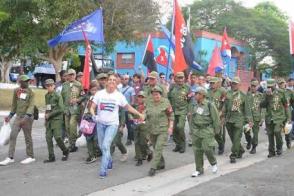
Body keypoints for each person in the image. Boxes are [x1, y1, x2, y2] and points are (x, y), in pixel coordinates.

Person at [90, 73, 144, 178]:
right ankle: (109, 160)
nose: (112, 81)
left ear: (116, 83)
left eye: (114, 80)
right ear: (106, 82)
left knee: (106, 145)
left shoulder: (119, 96)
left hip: (112, 124)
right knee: (102, 146)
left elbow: (128, 107)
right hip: (100, 123)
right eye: (110, 79)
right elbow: (92, 107)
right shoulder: (99, 94)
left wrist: (139, 114)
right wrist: (93, 115)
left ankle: (103, 170)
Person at [0, 75, 35, 166]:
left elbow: (31, 106)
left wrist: (26, 118)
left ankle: (30, 156)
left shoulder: (31, 92)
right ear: (20, 82)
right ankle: (10, 157)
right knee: (13, 135)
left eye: (28, 81)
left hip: (27, 117)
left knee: (27, 137)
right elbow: (14, 105)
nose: (27, 82)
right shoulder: (16, 91)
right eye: (25, 81)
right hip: (18, 117)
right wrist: (9, 116)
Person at [188, 87, 220, 177]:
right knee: (197, 150)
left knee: (207, 148)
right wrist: (191, 130)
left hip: (207, 130)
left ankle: (213, 163)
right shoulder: (194, 105)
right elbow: (192, 118)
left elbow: (216, 119)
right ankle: (199, 169)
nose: (195, 95)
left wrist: (215, 131)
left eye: (197, 94)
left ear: (202, 95)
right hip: (196, 130)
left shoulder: (210, 105)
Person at [224, 77, 253, 163]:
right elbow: (225, 106)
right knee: (233, 138)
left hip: (238, 119)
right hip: (229, 119)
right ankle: (240, 150)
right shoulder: (227, 94)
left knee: (237, 137)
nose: (234, 85)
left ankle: (233, 155)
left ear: (239, 85)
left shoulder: (243, 96)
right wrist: (222, 117)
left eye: (236, 83)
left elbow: (247, 109)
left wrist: (250, 120)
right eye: (233, 83)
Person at [146, 86, 174, 176]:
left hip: (163, 129)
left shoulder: (165, 102)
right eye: (154, 94)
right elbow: (146, 114)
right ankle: (161, 163)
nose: (156, 96)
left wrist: (170, 127)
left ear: (160, 95)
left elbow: (171, 116)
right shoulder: (149, 102)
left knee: (158, 148)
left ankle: (153, 167)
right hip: (152, 129)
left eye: (157, 94)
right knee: (156, 147)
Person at [261, 79, 290, 157]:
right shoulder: (265, 93)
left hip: (279, 117)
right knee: (270, 134)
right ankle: (271, 151)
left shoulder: (281, 92)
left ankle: (279, 147)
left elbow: (286, 106)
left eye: (271, 86)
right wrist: (267, 97)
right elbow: (262, 105)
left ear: (275, 85)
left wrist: (288, 117)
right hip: (269, 117)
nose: (270, 87)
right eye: (268, 86)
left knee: (277, 131)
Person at [43, 79, 69, 163]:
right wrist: (45, 118)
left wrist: (50, 115)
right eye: (47, 86)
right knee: (48, 138)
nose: (49, 87)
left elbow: (61, 109)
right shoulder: (46, 96)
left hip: (57, 119)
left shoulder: (58, 96)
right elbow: (47, 108)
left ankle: (65, 151)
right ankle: (51, 156)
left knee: (58, 137)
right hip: (49, 120)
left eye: (51, 85)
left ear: (54, 86)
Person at [61, 69, 84, 152]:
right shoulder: (64, 85)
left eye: (73, 74)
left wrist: (77, 100)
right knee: (67, 127)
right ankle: (71, 143)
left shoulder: (79, 84)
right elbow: (61, 97)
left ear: (75, 75)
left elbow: (83, 96)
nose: (71, 76)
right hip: (66, 109)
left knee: (72, 125)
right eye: (69, 75)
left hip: (74, 109)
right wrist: (62, 107)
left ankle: (73, 144)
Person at [168, 72, 189, 153]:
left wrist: (189, 110)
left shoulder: (187, 87)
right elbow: (169, 97)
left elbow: (190, 100)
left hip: (182, 110)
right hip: (173, 110)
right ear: (175, 79)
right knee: (174, 129)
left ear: (184, 78)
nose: (180, 80)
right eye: (178, 78)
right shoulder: (172, 87)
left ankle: (183, 144)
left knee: (180, 127)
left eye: (182, 78)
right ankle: (178, 144)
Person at [130, 91, 152, 166]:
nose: (140, 98)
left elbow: (146, 114)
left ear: (145, 98)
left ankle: (149, 152)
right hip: (136, 126)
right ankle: (139, 158)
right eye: (139, 97)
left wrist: (142, 117)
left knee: (143, 142)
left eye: (142, 97)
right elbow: (130, 112)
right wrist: (131, 118)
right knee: (136, 142)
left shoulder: (147, 106)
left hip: (144, 127)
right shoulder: (135, 105)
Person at [83, 81, 102, 164]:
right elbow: (86, 109)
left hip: (97, 121)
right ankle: (91, 155)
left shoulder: (101, 99)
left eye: (95, 90)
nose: (94, 92)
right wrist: (84, 118)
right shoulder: (89, 98)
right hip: (88, 120)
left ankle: (98, 151)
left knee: (95, 139)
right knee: (88, 138)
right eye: (92, 90)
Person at [207, 77, 226, 155]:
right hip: (210, 115)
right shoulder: (208, 91)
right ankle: (212, 147)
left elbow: (225, 103)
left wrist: (222, 112)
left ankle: (221, 144)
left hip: (219, 115)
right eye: (210, 83)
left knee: (217, 133)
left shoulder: (222, 91)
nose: (211, 84)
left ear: (217, 83)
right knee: (210, 132)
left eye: (213, 83)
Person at [245, 79, 264, 154]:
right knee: (246, 131)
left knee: (255, 134)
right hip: (248, 118)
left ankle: (254, 147)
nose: (253, 87)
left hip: (256, 118)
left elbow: (263, 108)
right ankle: (249, 140)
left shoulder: (260, 96)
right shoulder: (247, 95)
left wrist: (262, 118)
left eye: (254, 86)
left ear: (257, 86)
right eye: (252, 86)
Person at [120, 74, 136, 145]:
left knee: (129, 126)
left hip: (128, 111)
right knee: (120, 125)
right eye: (123, 79)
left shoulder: (131, 89)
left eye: (126, 79)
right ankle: (118, 139)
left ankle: (129, 139)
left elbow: (132, 101)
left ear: (128, 80)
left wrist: (130, 108)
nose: (124, 80)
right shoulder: (119, 89)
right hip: (120, 111)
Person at [277, 78, 292, 149]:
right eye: (280, 83)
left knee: (287, 130)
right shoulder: (276, 93)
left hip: (287, 114)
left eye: (283, 83)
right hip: (279, 114)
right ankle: (279, 145)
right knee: (278, 131)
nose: (282, 84)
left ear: (285, 83)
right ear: (278, 85)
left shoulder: (289, 92)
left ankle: (288, 141)